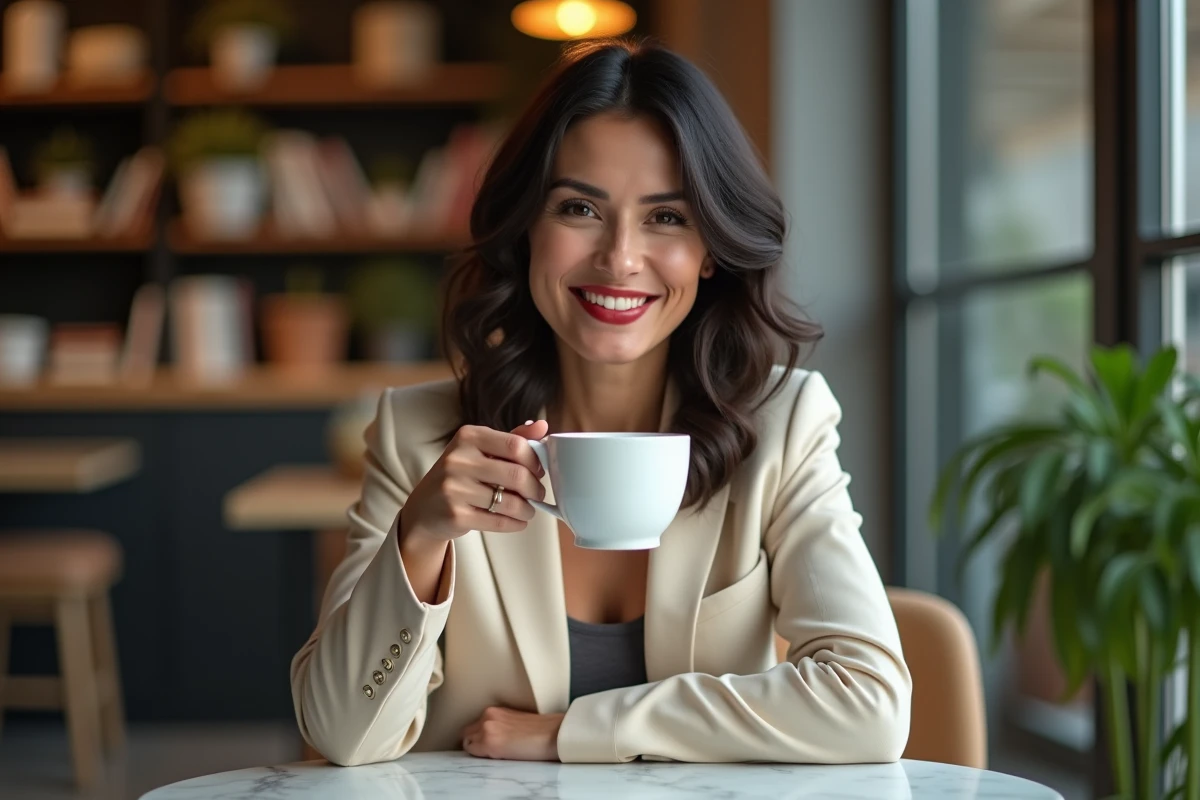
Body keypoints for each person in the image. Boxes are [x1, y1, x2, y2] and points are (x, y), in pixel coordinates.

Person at [290, 38, 910, 767]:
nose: (619, 258)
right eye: (580, 207)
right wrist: (420, 537)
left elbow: (868, 705)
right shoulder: (422, 436)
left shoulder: (783, 425)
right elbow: (339, 734)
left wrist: (577, 731)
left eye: (667, 218)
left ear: (712, 247)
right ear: (527, 229)